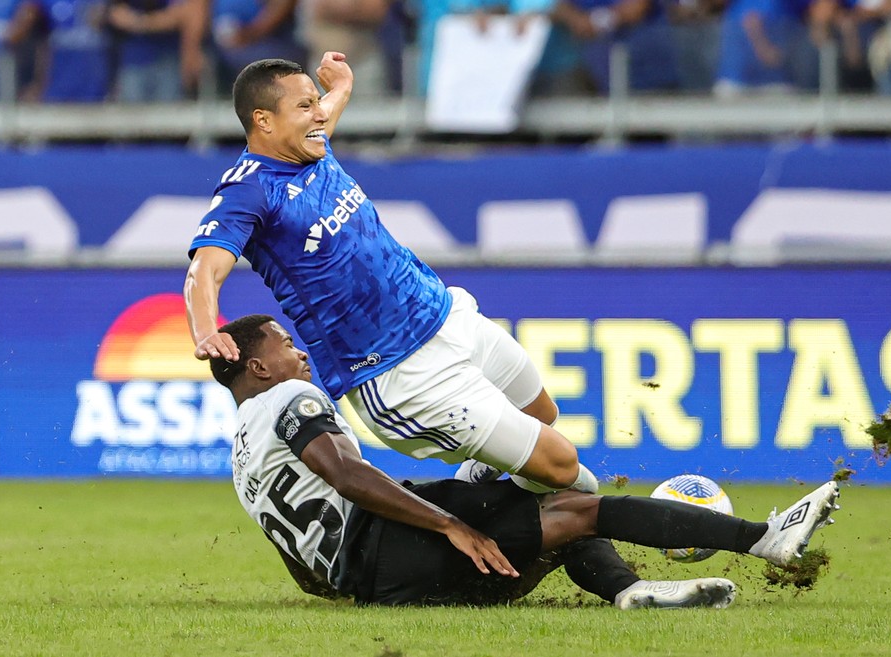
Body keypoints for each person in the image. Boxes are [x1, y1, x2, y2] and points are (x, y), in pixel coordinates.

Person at [211, 313, 842, 607]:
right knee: (577, 507)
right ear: (258, 366)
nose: (300, 354)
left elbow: (299, 566)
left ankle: (630, 593)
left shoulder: (240, 455)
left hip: (375, 579)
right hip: (389, 541)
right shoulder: (289, 396)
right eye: (287, 345)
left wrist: (347, 589)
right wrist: (447, 523)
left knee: (530, 513)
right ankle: (765, 540)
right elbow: (346, 473)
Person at [184, 53, 599, 497]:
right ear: (264, 121)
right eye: (305, 106)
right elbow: (203, 271)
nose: (320, 113)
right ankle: (620, 558)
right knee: (562, 465)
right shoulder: (246, 190)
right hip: (396, 370)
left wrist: (342, 85)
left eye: (317, 103)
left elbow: (326, 114)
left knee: (542, 414)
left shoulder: (311, 143)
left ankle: (473, 502)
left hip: (444, 314)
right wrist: (205, 327)